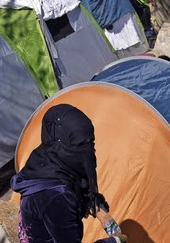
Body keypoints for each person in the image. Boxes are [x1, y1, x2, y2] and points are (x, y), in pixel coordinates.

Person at [11, 104, 126, 243]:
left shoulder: (44, 163)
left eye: (90, 142)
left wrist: (101, 213)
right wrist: (115, 242)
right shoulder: (56, 197)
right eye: (80, 144)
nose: (88, 150)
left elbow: (78, 188)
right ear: (61, 143)